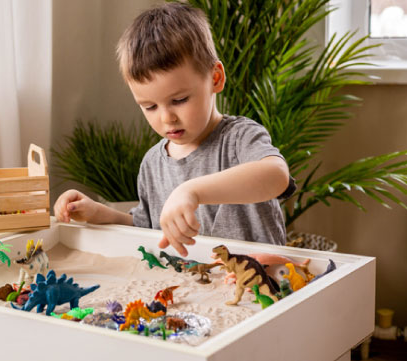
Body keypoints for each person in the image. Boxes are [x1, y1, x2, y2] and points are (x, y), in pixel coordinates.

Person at [53, 2, 295, 257]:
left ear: (215, 78)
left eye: (179, 100)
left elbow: (276, 176)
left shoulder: (239, 138)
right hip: (190, 290)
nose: (166, 118)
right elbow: (146, 228)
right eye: (149, 106)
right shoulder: (152, 164)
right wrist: (97, 213)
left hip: (257, 284)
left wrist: (191, 190)